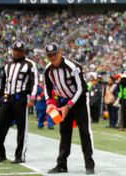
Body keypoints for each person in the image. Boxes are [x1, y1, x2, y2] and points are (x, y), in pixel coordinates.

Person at [43, 43, 95, 175]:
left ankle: (89, 165)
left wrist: (69, 106)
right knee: (64, 133)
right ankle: (61, 165)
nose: (53, 57)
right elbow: (47, 87)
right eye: (50, 55)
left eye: (54, 54)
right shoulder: (48, 70)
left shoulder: (72, 67)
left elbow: (82, 88)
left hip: (79, 101)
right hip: (63, 101)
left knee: (84, 132)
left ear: (60, 52)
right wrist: (49, 102)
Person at [0, 41, 37, 164]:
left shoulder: (30, 64)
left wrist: (32, 98)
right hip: (7, 99)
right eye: (14, 50)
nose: (16, 52)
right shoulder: (7, 65)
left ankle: (20, 156)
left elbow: (34, 82)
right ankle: (0, 154)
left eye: (19, 51)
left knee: (22, 128)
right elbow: (3, 83)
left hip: (21, 99)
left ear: (23, 52)